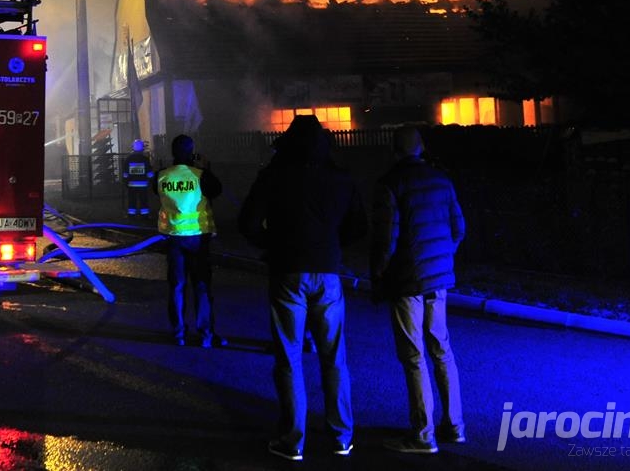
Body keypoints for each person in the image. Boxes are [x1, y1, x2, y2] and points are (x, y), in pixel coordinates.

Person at [238, 114, 368, 461]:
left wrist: (271, 245)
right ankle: (342, 437)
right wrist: (332, 247)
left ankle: (293, 440)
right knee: (334, 357)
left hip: (287, 272)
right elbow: (359, 225)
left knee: (289, 357)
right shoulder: (341, 179)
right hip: (328, 273)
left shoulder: (273, 176)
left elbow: (247, 223)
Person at [371, 125, 467, 454]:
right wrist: (442, 259)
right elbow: (459, 228)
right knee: (442, 349)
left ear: (394, 150)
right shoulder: (442, 180)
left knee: (414, 356)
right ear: (421, 147)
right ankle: (455, 426)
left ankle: (423, 435)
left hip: (407, 280)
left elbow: (387, 239)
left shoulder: (390, 184)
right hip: (438, 279)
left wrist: (379, 274)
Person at [156, 134, 225, 348]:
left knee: (177, 286)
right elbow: (217, 190)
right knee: (201, 286)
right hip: (198, 238)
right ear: (191, 151)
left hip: (174, 238)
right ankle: (205, 335)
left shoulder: (162, 176)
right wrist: (206, 167)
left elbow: (156, 194)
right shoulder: (200, 176)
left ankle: (178, 334)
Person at [121, 139, 155, 218]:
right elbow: (149, 173)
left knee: (132, 201)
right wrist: (152, 179)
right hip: (143, 185)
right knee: (144, 201)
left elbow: (125, 173)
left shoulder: (129, 159)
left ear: (133, 147)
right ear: (142, 148)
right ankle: (145, 215)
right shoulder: (145, 159)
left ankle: (131, 215)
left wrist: (125, 181)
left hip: (131, 185)